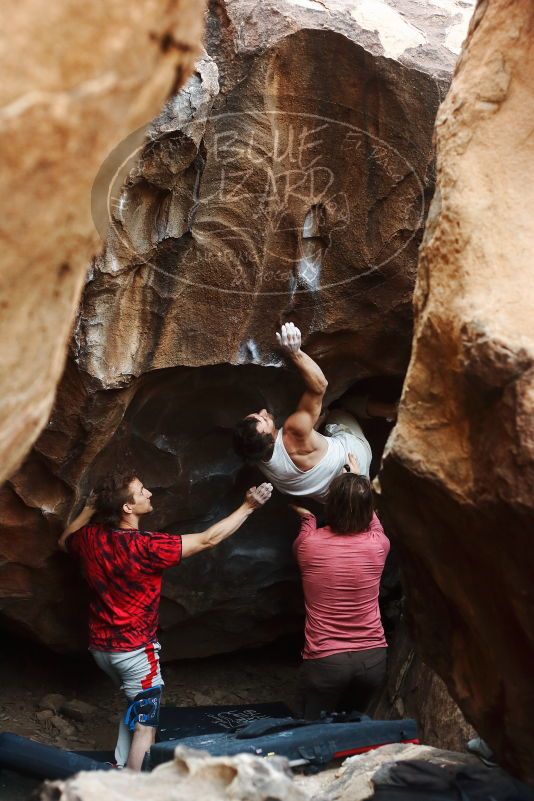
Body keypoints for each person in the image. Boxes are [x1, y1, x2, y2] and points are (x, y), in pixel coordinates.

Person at [58, 474, 272, 770]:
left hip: (101, 649)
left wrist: (89, 508)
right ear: (127, 509)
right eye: (140, 491)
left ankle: (120, 766)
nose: (148, 492)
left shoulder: (89, 539)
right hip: (134, 653)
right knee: (147, 723)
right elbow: (209, 539)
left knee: (133, 703)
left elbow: (64, 539)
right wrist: (248, 507)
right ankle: (132, 790)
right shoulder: (147, 547)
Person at [233, 322, 396, 503]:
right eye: (263, 419)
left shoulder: (257, 457)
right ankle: (391, 410)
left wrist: (315, 427)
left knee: (320, 420)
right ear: (269, 438)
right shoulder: (293, 431)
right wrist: (295, 352)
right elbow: (320, 386)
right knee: (340, 406)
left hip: (340, 498)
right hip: (356, 463)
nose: (264, 411)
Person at [291, 453, 389, 719]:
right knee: (352, 725)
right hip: (373, 660)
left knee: (306, 727)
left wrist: (305, 515)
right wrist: (359, 478)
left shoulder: (308, 544)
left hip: (326, 660)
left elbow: (308, 521)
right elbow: (370, 514)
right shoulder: (378, 544)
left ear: (330, 506)